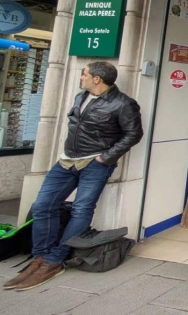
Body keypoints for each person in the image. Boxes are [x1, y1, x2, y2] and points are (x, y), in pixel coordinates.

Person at [4, 62, 143, 291]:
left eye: (84, 74)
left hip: (95, 163)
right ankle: (40, 256)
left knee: (82, 209)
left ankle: (55, 260)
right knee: (42, 206)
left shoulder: (124, 104)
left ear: (97, 78)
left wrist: (105, 158)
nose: (81, 78)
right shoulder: (81, 97)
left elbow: (134, 134)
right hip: (66, 161)